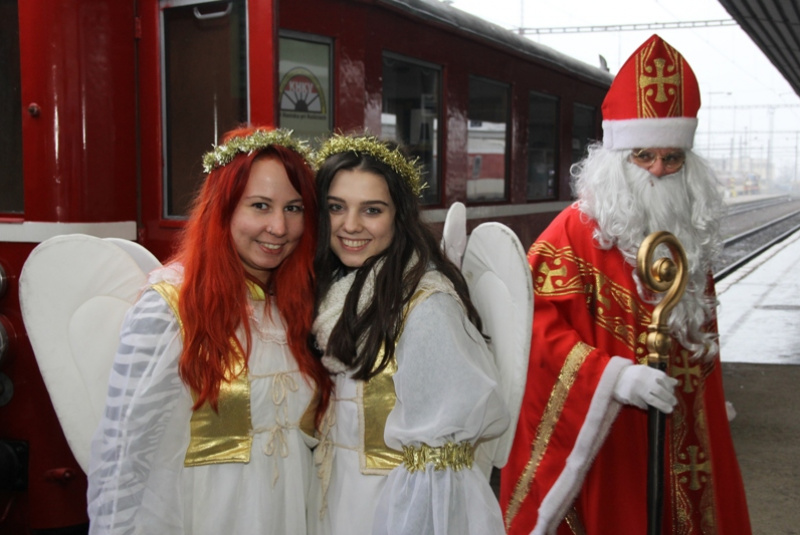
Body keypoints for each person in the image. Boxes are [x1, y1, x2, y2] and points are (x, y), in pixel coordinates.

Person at [500, 35, 752, 534]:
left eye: (672, 158)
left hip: (682, 437)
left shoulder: (689, 236)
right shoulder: (569, 236)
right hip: (606, 447)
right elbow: (532, 338)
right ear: (617, 156)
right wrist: (614, 379)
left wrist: (705, 402)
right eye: (644, 155)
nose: (659, 170)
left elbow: (703, 342)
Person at [86, 126, 332, 534]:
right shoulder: (170, 306)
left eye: (294, 208)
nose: (279, 227)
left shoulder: (297, 306)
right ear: (224, 208)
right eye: (259, 205)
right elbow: (124, 456)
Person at [309, 134, 510, 535]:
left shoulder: (425, 306)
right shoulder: (333, 287)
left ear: (399, 215)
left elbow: (441, 473)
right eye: (336, 207)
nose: (350, 225)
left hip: (385, 513)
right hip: (329, 501)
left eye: (372, 210)